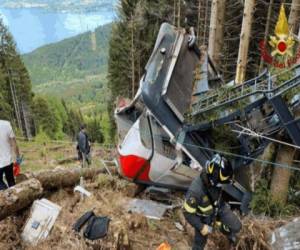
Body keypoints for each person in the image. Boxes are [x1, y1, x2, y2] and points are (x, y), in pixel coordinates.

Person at [183, 154, 241, 250]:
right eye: (221, 184)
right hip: (203, 219)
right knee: (199, 246)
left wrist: (218, 218)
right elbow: (187, 213)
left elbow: (217, 193)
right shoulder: (195, 191)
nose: (222, 186)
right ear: (214, 180)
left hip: (219, 208)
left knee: (237, 226)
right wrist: (201, 227)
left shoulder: (214, 179)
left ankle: (228, 234)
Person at [0, 120, 21, 190]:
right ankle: (15, 196)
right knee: (11, 181)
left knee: (1, 186)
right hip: (8, 160)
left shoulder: (7, 124)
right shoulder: (6, 124)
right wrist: (18, 157)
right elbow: (14, 143)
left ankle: (8, 195)